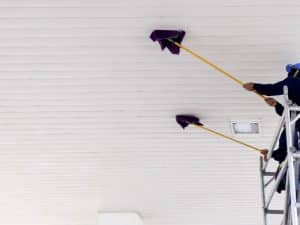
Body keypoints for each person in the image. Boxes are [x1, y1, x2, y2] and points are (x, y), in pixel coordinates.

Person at [243, 63, 300, 193]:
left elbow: (274, 89)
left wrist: (254, 86)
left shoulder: (294, 81)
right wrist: (275, 105)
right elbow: (293, 116)